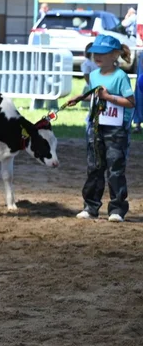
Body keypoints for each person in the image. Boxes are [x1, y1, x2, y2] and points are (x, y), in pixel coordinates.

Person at [76, 35, 134, 222]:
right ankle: (90, 207)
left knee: (115, 168)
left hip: (116, 130)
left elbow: (130, 102)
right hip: (96, 126)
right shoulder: (93, 76)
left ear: (115, 55)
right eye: (95, 53)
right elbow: (94, 95)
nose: (97, 57)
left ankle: (117, 209)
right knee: (94, 167)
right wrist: (80, 98)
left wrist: (109, 97)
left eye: (102, 53)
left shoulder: (121, 77)